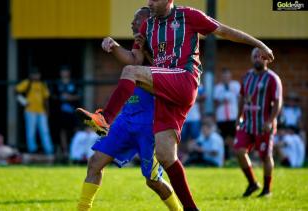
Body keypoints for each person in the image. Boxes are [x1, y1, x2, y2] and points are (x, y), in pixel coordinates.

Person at [78, 1, 274, 209]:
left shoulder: (188, 15)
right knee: (165, 155)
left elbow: (224, 31)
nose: (149, 3)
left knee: (129, 73)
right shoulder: (148, 26)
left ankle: (105, 119)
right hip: (165, 93)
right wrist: (115, 47)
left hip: (184, 80)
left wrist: (259, 44)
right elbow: (134, 60)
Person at [77, 7, 181, 211]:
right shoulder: (139, 45)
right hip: (125, 120)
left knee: (152, 181)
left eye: (137, 19)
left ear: (149, 20)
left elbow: (167, 76)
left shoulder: (164, 46)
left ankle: (178, 209)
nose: (132, 23)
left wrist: (145, 52)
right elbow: (132, 60)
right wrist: (114, 46)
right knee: (95, 162)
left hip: (149, 126)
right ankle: (82, 208)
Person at [234, 48, 282, 197]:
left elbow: (278, 101)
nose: (257, 59)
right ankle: (252, 183)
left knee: (265, 157)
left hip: (263, 125)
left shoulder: (272, 78)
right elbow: (242, 97)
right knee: (239, 150)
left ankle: (267, 189)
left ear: (267, 59)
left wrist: (270, 121)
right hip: (247, 123)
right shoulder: (247, 76)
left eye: (260, 57)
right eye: (254, 56)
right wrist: (239, 116)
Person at [15, 68, 54, 155]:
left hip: (41, 111)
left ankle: (49, 150)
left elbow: (46, 98)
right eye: (34, 74)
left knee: (44, 131)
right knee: (30, 132)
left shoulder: (42, 84)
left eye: (37, 74)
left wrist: (47, 110)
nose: (36, 76)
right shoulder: (27, 83)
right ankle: (32, 150)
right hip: (30, 111)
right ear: (31, 75)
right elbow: (16, 90)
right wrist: (23, 101)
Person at [54, 66, 81, 159]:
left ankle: (75, 150)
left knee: (76, 130)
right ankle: (65, 151)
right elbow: (52, 97)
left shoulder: (74, 83)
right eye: (63, 71)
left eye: (66, 71)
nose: (64, 73)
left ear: (69, 73)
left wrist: (70, 97)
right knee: (63, 131)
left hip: (73, 112)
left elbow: (79, 95)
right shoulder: (57, 84)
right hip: (61, 113)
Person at [214, 68, 240, 160]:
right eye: (224, 76)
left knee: (234, 138)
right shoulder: (218, 87)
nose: (226, 78)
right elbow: (215, 102)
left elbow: (240, 99)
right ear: (221, 77)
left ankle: (237, 157)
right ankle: (226, 157)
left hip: (233, 116)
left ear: (230, 76)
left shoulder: (236, 85)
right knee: (223, 139)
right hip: (222, 118)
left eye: (227, 76)